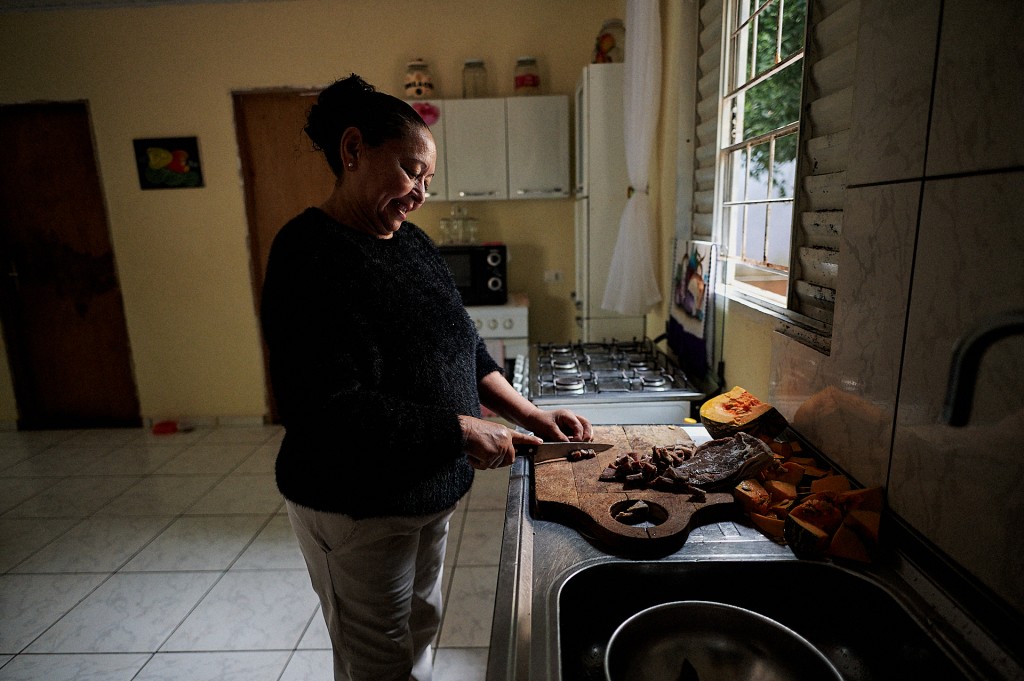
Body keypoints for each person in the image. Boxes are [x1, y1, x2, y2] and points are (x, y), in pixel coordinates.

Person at [259, 73, 593, 681]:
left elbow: (465, 347)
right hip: (357, 505)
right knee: (377, 660)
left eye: (428, 181)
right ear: (353, 150)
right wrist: (460, 429)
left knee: (418, 629)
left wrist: (528, 413)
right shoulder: (307, 255)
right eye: (412, 172)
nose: (420, 194)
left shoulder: (411, 242)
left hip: (426, 493)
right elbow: (326, 409)